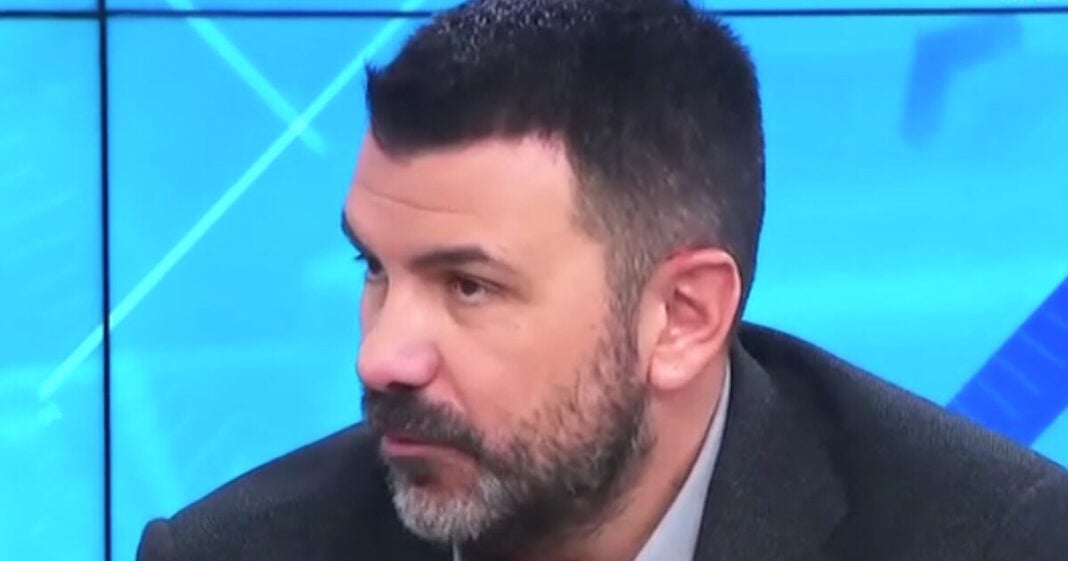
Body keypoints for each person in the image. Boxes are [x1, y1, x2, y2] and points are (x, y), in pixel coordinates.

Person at [136, 1, 1068, 560]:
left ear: (683, 316)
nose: (380, 356)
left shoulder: (986, 540)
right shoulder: (235, 553)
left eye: (468, 286)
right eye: (374, 268)